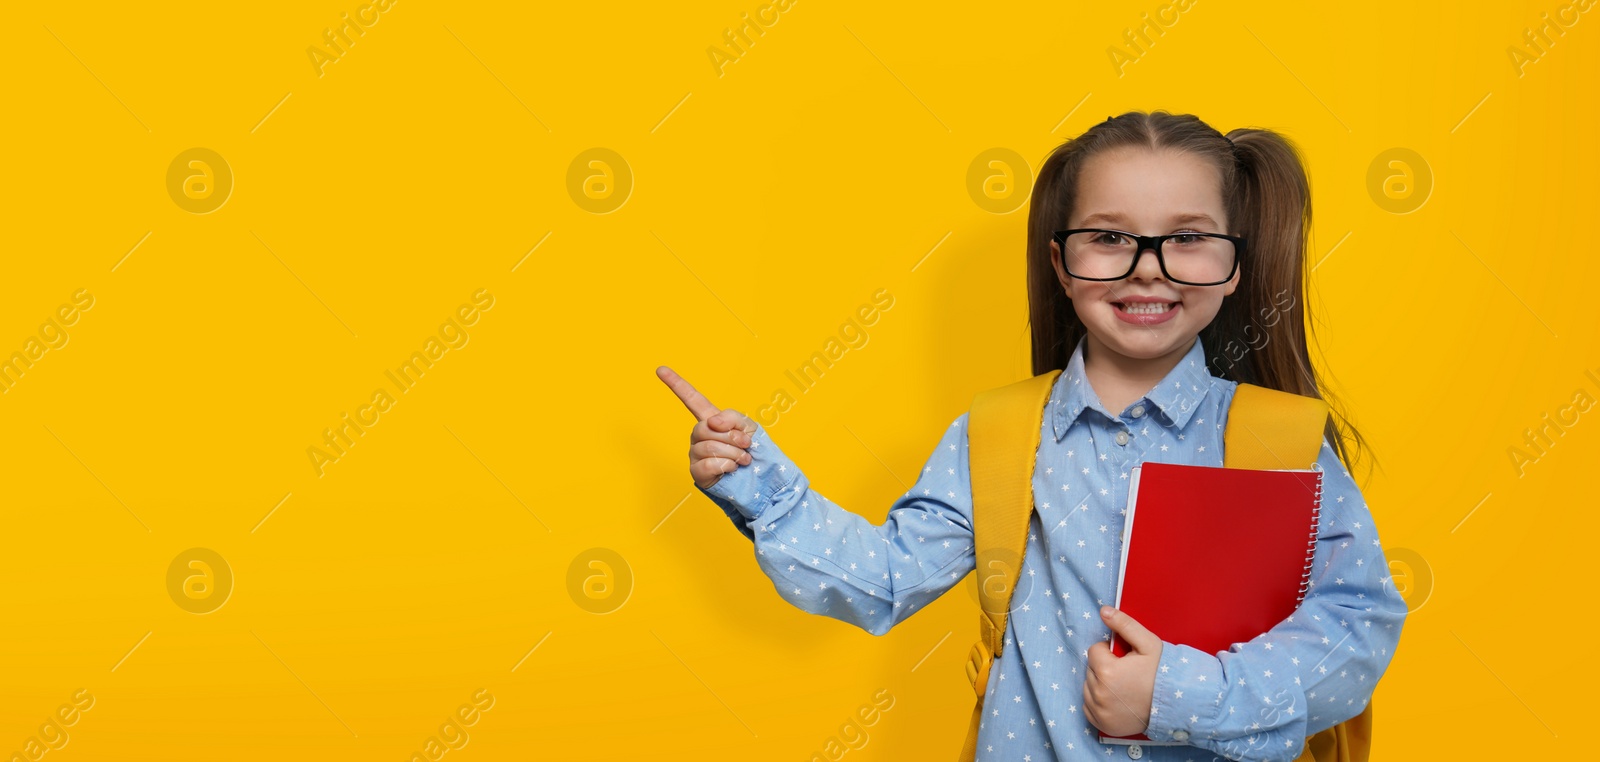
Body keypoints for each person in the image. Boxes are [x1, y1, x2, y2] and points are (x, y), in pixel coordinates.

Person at [657, 110, 1406, 761]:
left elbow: (1356, 627)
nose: (1148, 271)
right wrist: (761, 486)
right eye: (1110, 237)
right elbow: (882, 580)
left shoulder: (1282, 441)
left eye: (1188, 239)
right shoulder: (999, 433)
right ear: (1062, 262)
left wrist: (1179, 695)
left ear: (1235, 265)